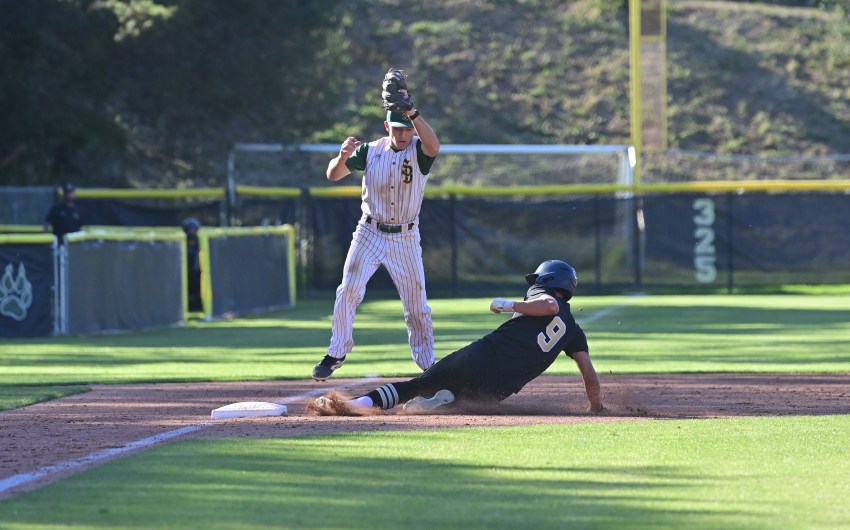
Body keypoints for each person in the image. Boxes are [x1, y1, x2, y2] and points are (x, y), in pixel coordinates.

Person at [309, 260, 604, 415]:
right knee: (460, 401)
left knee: (417, 385)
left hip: (483, 357)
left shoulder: (543, 295)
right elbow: (589, 375)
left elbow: (550, 306)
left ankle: (354, 406)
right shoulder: (574, 332)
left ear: (549, 281)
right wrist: (596, 407)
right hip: (499, 388)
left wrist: (510, 305)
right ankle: (445, 400)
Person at [312, 98, 441, 381]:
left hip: (405, 236)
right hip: (369, 231)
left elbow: (435, 146)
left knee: (416, 305)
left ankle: (429, 364)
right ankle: (337, 351)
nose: (404, 134)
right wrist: (343, 155)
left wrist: (412, 112)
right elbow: (333, 175)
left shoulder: (419, 149)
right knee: (349, 289)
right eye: (398, 129)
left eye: (408, 128)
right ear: (387, 127)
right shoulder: (371, 150)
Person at [182, 217, 203, 312]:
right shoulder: (180, 243)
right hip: (184, 272)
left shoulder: (201, 244)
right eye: (189, 229)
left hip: (197, 273)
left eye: (193, 229)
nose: (191, 232)